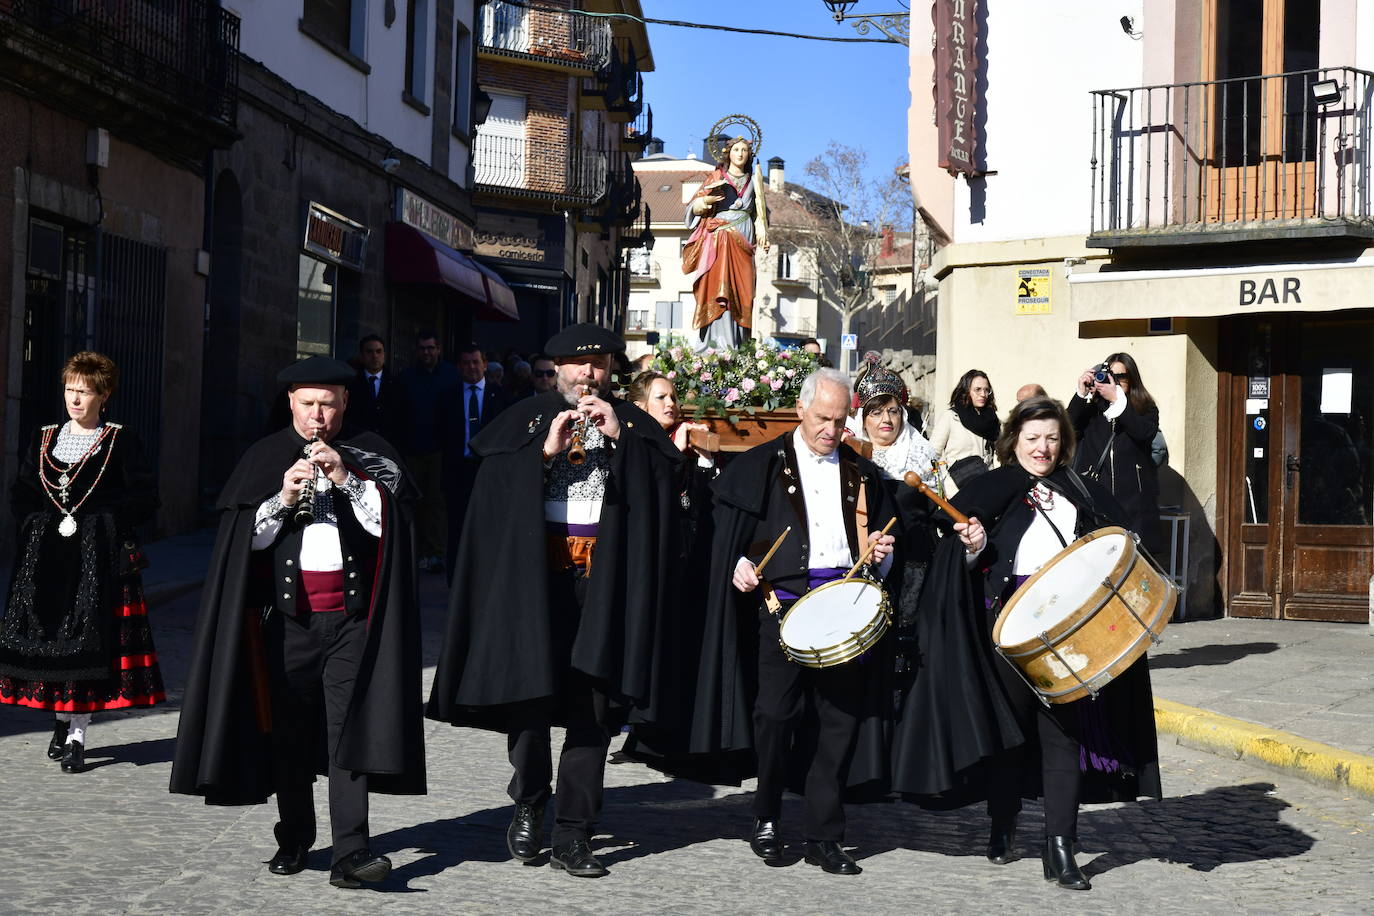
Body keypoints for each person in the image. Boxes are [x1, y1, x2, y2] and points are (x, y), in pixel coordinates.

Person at [426, 324, 680, 879]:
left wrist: (621, 441)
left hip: (603, 581)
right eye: (578, 365)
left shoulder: (631, 425)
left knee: (593, 705)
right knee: (530, 698)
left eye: (599, 365)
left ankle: (574, 832)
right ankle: (530, 799)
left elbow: (664, 497)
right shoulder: (524, 419)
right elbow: (491, 498)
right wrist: (542, 455)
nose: (589, 374)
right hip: (536, 578)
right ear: (558, 368)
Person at [170, 356, 425, 889]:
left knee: (347, 732)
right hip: (288, 623)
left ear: (345, 402)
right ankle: (294, 837)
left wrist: (347, 479)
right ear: (290, 402)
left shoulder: (369, 452)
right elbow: (246, 543)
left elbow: (391, 529)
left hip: (351, 620)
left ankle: (351, 852)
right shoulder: (265, 455)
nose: (317, 415)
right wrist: (283, 498)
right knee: (288, 732)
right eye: (307, 404)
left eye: (328, 404)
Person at [892, 396, 1160, 891]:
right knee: (1009, 733)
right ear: (1013, 440)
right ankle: (1003, 820)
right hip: (1007, 630)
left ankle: (1060, 847)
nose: (1043, 448)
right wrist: (971, 549)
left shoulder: (1081, 491)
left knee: (1064, 733)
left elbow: (1114, 548)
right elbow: (958, 558)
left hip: (1070, 629)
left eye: (1052, 439)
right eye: (1033, 438)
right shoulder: (990, 488)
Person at [692, 369, 897, 876]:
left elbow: (886, 541)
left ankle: (825, 836)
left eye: (840, 420)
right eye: (823, 418)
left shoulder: (862, 472)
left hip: (844, 606)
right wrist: (739, 563)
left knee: (839, 720)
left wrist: (881, 552)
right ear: (801, 410)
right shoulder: (761, 464)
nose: (832, 429)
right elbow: (727, 535)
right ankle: (767, 813)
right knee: (776, 716)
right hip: (781, 605)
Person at [0, 352, 162, 773]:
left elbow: (145, 497)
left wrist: (102, 526)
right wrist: (35, 525)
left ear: (103, 396)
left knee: (91, 649)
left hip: (97, 561)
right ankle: (60, 720)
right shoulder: (43, 438)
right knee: (54, 648)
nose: (74, 399)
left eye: (84, 392)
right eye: (70, 390)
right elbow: (22, 492)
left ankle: (77, 734)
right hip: (46, 559)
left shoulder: (119, 440)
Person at [845, 361, 939, 632]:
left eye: (893, 411)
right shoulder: (848, 457)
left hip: (913, 559)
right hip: (864, 558)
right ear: (863, 418)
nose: (886, 420)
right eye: (876, 412)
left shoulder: (922, 454)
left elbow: (936, 512)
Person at [1068, 352, 1163, 554]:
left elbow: (1143, 433)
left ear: (1132, 379)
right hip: (1096, 496)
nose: (1115, 381)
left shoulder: (1145, 408)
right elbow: (1067, 430)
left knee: (1132, 558)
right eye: (1111, 375)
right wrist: (1080, 395)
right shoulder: (1092, 410)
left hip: (1133, 502)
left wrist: (1117, 402)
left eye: (1121, 376)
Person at [683, 135, 769, 350]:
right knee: (719, 287)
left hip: (744, 240)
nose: (740, 154)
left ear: (749, 154)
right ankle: (716, 343)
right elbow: (693, 206)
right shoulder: (717, 177)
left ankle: (740, 342)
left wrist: (762, 231)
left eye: (744, 150)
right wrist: (706, 201)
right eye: (736, 150)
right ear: (728, 154)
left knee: (743, 291)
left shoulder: (754, 180)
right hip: (719, 240)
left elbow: (760, 212)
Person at [438, 342, 512, 578]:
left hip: (489, 472)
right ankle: (456, 579)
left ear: (485, 365)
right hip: (457, 472)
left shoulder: (501, 396)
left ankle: (486, 577)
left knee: (489, 526)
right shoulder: (447, 396)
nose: (471, 367)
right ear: (459, 367)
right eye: (466, 363)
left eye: (475, 362)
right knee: (457, 528)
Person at [398, 331, 458, 572]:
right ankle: (418, 551)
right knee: (414, 502)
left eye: (431, 348)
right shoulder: (407, 377)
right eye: (423, 348)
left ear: (438, 349)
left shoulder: (451, 375)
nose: (427, 352)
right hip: (412, 449)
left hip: (439, 449)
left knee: (436, 503)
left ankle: (435, 552)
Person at [928, 369, 998, 497]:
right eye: (977, 389)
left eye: (986, 390)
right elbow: (932, 453)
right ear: (966, 390)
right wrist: (945, 482)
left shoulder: (992, 420)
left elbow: (1000, 454)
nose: (983, 394)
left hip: (986, 488)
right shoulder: (951, 417)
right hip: (956, 490)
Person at [345, 334, 410, 449]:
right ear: (362, 356)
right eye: (369, 352)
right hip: (359, 446)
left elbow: (403, 420)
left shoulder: (398, 385)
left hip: (389, 447)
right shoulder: (351, 384)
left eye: (379, 351)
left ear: (384, 355)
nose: (375, 356)